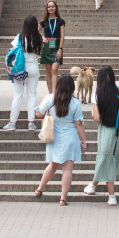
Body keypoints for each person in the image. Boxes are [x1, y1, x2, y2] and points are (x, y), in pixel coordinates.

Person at [33, 74, 88, 205]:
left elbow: (38, 113)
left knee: (53, 165)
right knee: (67, 169)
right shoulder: (75, 102)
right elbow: (79, 123)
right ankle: (63, 198)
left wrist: (43, 100)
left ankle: (39, 189)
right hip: (70, 137)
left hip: (55, 137)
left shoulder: (50, 99)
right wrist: (84, 140)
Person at [83, 65, 119, 205]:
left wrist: (92, 111)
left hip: (106, 130)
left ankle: (112, 196)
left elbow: (96, 117)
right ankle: (92, 185)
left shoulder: (97, 94)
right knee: (109, 159)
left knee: (107, 160)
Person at [4, 15, 43, 131]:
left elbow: (13, 50)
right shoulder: (39, 38)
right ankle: (31, 123)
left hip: (21, 69)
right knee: (32, 96)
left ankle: (12, 123)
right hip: (34, 68)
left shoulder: (20, 37)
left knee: (17, 96)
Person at [40, 0, 66, 93]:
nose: (51, 8)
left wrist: (60, 49)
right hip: (47, 47)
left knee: (54, 69)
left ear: (56, 8)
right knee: (48, 72)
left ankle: (55, 94)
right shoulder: (44, 21)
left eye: (52, 6)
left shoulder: (60, 21)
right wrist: (41, 38)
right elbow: (33, 31)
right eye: (49, 7)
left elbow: (62, 36)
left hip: (56, 46)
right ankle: (50, 94)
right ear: (46, 9)